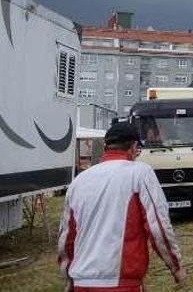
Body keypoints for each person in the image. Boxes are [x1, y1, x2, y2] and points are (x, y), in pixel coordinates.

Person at [58, 120, 186, 291]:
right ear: (133, 147)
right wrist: (176, 266)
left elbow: (66, 238)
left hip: (82, 281)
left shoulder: (79, 181)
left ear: (105, 147)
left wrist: (69, 275)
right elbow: (158, 227)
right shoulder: (140, 173)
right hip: (121, 280)